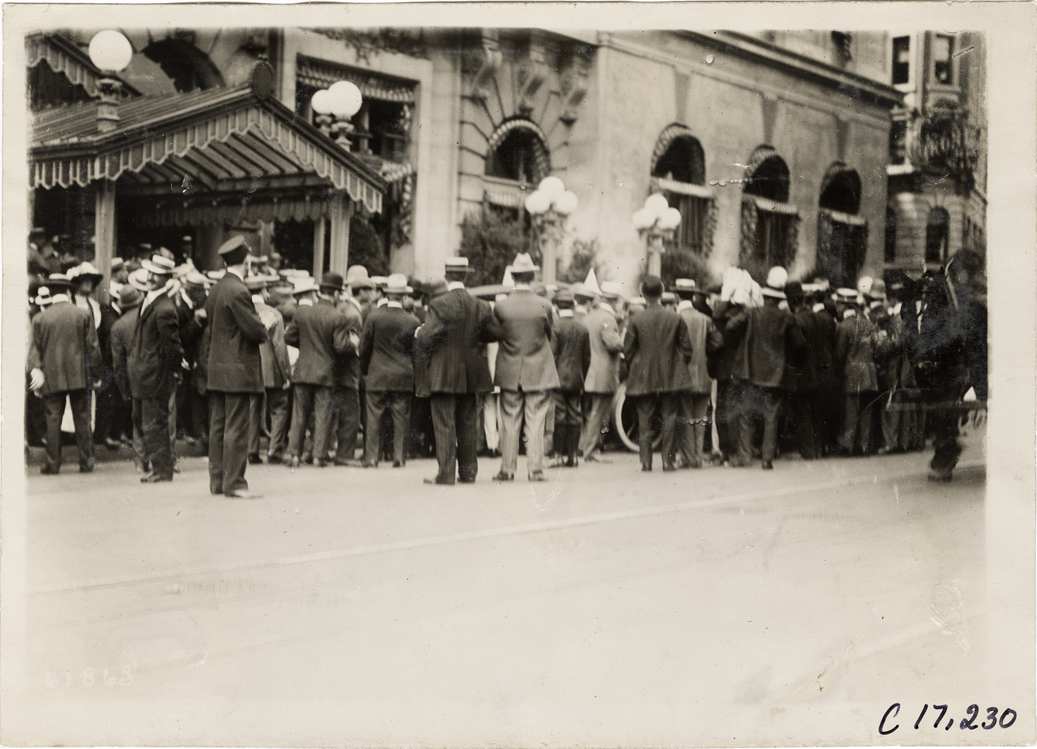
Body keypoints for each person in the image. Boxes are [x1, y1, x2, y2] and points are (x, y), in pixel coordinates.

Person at [415, 274, 499, 485]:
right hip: (471, 372)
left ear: (446, 276)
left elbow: (426, 338)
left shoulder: (439, 304)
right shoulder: (480, 305)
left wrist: (419, 333)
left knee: (444, 423)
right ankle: (468, 472)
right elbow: (493, 333)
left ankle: (446, 473)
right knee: (468, 422)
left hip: (443, 371)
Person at [204, 236, 268, 498]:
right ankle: (235, 483)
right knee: (237, 427)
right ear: (247, 260)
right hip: (238, 369)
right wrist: (265, 325)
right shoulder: (240, 291)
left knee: (218, 426)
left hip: (217, 368)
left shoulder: (217, 289)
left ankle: (218, 481)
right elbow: (254, 331)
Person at [725, 267, 806, 469]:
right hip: (775, 375)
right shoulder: (787, 318)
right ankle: (767, 459)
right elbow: (800, 344)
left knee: (746, 416)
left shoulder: (752, 313)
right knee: (771, 417)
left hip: (750, 372)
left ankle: (744, 457)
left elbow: (730, 327)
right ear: (779, 298)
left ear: (765, 294)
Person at [491, 253, 559, 482]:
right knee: (536, 420)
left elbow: (497, 335)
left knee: (509, 421)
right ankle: (535, 469)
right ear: (532, 276)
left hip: (510, 370)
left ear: (512, 276)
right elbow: (551, 335)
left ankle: (507, 469)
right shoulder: (545, 305)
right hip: (538, 370)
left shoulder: (501, 307)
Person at [27, 273, 103, 474]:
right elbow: (93, 348)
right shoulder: (84, 314)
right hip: (80, 374)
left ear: (50, 294)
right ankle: (86, 462)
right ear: (68, 292)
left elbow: (35, 351)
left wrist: (37, 373)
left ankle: (53, 464)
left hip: (52, 376)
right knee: (83, 419)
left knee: (53, 420)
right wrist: (97, 374)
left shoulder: (40, 318)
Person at [284, 274, 356, 467]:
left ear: (320, 292)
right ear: (335, 294)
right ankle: (318, 456)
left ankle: (294, 455)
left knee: (299, 415)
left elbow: (289, 338)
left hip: (303, 371)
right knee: (323, 415)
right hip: (325, 372)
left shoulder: (302, 312)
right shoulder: (338, 317)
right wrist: (353, 343)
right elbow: (340, 347)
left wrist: (307, 345)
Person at [622, 276, 693, 472]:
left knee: (644, 419)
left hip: (644, 375)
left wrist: (635, 367)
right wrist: (677, 365)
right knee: (669, 418)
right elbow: (687, 349)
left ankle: (646, 462)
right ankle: (668, 462)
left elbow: (627, 350)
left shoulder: (635, 319)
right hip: (671, 374)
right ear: (662, 292)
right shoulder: (675, 318)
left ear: (642, 294)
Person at [129, 254, 184, 483]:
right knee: (150, 422)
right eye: (150, 273)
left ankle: (162, 470)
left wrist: (173, 370)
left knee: (155, 423)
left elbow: (172, 346)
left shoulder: (164, 307)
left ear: (166, 279)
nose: (150, 277)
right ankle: (159, 467)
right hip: (148, 374)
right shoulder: (152, 301)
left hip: (155, 376)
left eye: (156, 275)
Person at [359, 274, 420, 468]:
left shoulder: (374, 316)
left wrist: (364, 370)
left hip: (377, 373)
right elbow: (416, 352)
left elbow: (364, 347)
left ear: (386, 294)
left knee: (374, 416)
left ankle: (371, 458)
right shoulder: (412, 321)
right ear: (403, 297)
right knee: (401, 417)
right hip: (403, 375)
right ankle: (399, 457)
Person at [674, 279, 723, 469]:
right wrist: (704, 352)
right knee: (700, 419)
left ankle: (688, 458)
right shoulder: (704, 319)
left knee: (685, 417)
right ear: (694, 296)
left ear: (677, 296)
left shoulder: (676, 318)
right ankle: (697, 457)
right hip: (703, 375)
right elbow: (718, 342)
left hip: (683, 375)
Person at [247, 275, 292, 465]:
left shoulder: (241, 312)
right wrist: (286, 374)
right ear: (264, 292)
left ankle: (251, 450)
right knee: (279, 408)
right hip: (271, 369)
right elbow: (279, 347)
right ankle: (274, 449)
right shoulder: (273, 314)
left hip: (248, 369)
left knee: (251, 409)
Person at [579, 281, 625, 462]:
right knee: (599, 413)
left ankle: (586, 447)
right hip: (603, 374)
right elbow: (614, 344)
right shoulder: (608, 319)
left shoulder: (590, 316)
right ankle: (591, 451)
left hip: (590, 373)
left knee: (591, 413)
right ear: (614, 301)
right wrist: (622, 340)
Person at [834, 287, 880, 456]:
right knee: (866, 410)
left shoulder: (844, 326)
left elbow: (839, 355)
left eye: (839, 303)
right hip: (870, 372)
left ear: (846, 305)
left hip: (852, 373)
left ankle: (848, 446)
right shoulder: (869, 324)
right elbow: (877, 348)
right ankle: (864, 445)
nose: (837, 306)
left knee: (851, 411)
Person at [550, 288, 591, 468]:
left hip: (558, 377)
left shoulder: (556, 326)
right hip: (577, 378)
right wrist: (581, 373)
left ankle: (558, 454)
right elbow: (587, 357)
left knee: (559, 416)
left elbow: (552, 354)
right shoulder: (582, 327)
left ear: (557, 306)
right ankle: (573, 456)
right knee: (575, 415)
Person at [110, 278, 146, 469]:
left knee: (137, 420)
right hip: (153, 374)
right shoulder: (149, 317)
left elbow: (118, 363)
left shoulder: (118, 326)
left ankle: (140, 461)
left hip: (133, 378)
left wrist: (123, 389)